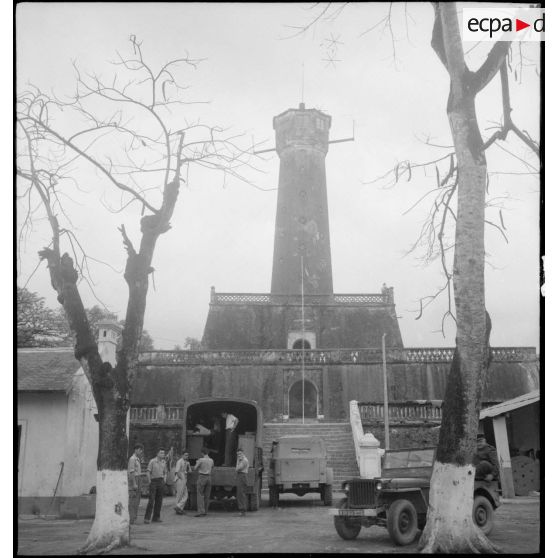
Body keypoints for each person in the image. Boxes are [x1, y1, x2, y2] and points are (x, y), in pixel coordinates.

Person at [144, 448, 167, 524]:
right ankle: (147, 518)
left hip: (161, 481)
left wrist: (164, 480)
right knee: (151, 500)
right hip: (153, 481)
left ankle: (156, 517)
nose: (162, 454)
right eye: (161, 453)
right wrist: (149, 481)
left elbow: (165, 472)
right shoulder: (152, 461)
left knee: (159, 500)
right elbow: (148, 472)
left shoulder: (164, 462)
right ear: (157, 454)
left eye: (163, 453)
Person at [194, 447, 214, 517]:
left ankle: (200, 511)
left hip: (202, 477)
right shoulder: (211, 460)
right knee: (207, 495)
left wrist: (197, 462)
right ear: (208, 453)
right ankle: (205, 511)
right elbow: (212, 467)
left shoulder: (201, 460)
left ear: (202, 453)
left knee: (200, 494)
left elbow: (195, 468)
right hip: (209, 477)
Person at [127, 443, 143, 524]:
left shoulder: (137, 459)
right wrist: (134, 483)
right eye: (140, 450)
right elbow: (131, 472)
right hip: (134, 479)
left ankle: (134, 517)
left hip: (139, 478)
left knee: (137, 499)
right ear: (136, 450)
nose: (141, 452)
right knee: (133, 499)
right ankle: (131, 518)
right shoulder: (132, 459)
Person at [174, 451, 192, 515]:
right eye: (185, 455)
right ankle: (179, 509)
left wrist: (189, 465)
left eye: (187, 455)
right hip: (180, 479)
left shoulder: (186, 462)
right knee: (179, 495)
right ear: (182, 455)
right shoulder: (179, 461)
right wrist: (182, 479)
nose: (186, 456)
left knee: (185, 495)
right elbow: (177, 471)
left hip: (184, 479)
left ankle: (178, 507)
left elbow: (190, 471)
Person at [235, 448, 249, 516]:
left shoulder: (244, 460)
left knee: (241, 493)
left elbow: (238, 468)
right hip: (240, 476)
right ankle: (242, 509)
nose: (239, 455)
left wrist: (238, 463)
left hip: (242, 476)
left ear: (243, 453)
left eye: (240, 453)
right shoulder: (240, 459)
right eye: (238, 454)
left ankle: (243, 510)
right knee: (240, 493)